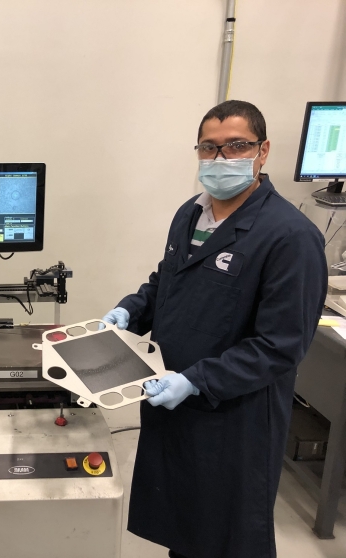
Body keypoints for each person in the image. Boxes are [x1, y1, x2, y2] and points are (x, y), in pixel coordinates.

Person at [101, 100, 328, 558]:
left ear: (262, 151)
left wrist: (196, 380)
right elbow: (166, 281)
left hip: (233, 418)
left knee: (224, 536)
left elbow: (280, 346)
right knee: (184, 527)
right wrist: (128, 312)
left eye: (236, 146)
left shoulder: (290, 237)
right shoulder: (191, 213)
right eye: (210, 148)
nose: (220, 159)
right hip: (174, 403)